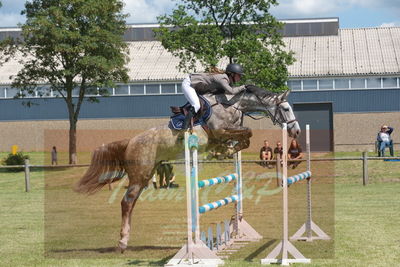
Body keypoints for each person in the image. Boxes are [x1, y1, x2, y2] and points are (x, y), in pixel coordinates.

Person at [181, 63, 246, 129]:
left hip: (198, 87)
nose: (240, 77)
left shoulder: (227, 81)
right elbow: (231, 91)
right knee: (196, 105)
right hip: (189, 84)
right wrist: (243, 87)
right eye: (239, 75)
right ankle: (184, 128)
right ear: (232, 74)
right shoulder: (222, 79)